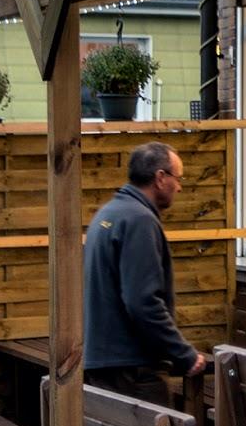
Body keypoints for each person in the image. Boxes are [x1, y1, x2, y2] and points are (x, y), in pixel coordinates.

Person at [84, 141, 206, 406]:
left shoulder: (108, 213)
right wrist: (184, 354)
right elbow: (143, 302)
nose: (179, 187)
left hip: (103, 362)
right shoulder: (139, 221)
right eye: (178, 178)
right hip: (133, 370)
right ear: (160, 178)